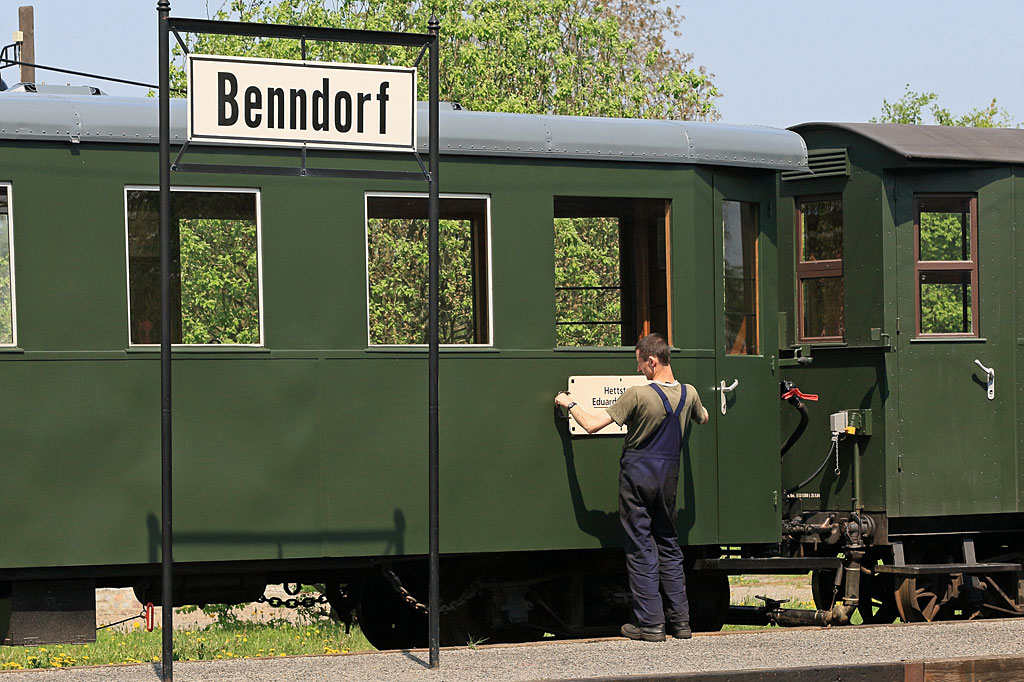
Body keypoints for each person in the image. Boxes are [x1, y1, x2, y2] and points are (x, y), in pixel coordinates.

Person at [555, 333, 709, 642]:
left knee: (641, 547)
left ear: (652, 361)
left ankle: (651, 624)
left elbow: (591, 424)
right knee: (668, 544)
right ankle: (681, 623)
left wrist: (568, 402)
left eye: (639, 363)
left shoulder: (638, 395)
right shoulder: (689, 393)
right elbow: (703, 418)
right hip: (668, 478)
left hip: (638, 476)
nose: (638, 369)